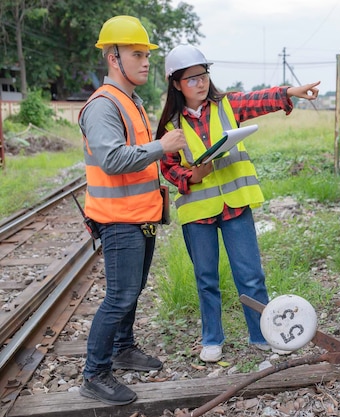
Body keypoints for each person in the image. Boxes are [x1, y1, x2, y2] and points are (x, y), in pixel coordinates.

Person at [156, 44, 319, 363]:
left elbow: (262, 99)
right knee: (207, 279)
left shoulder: (226, 106)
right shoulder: (170, 126)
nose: (200, 83)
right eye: (191, 79)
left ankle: (261, 334)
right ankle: (212, 339)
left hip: (235, 206)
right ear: (176, 84)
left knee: (250, 274)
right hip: (198, 212)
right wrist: (193, 176)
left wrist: (292, 91)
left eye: (203, 75)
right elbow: (168, 168)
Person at [77, 16, 187, 405]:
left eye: (146, 54)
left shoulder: (131, 101)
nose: (145, 61)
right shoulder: (103, 106)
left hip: (140, 215)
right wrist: (163, 146)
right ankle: (95, 374)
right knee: (119, 297)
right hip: (118, 219)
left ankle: (123, 348)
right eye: (136, 54)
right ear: (112, 57)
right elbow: (112, 160)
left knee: (133, 290)